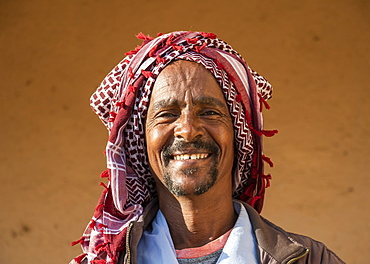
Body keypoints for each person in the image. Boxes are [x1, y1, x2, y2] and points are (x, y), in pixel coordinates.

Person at [70, 31, 344, 264]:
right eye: (167, 114)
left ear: (239, 134)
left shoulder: (313, 259)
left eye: (210, 112)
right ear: (141, 140)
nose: (188, 130)